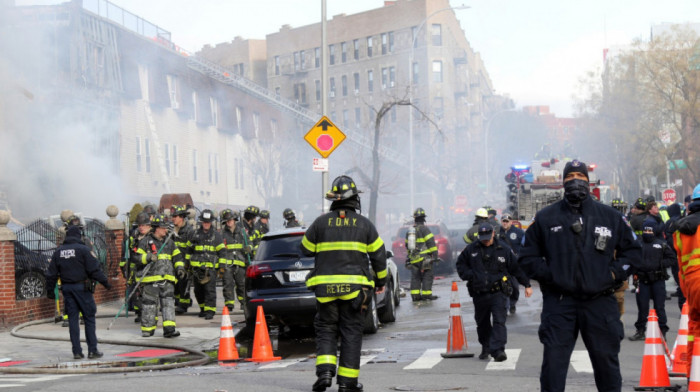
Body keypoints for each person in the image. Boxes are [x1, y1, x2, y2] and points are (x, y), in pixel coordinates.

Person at [519, 159, 642, 392]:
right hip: (560, 303)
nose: (576, 181)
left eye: (581, 176)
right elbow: (526, 257)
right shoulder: (546, 218)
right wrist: (551, 276)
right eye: (570, 177)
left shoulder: (610, 217)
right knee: (553, 367)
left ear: (589, 181)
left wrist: (614, 273)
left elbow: (633, 253)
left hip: (600, 303)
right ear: (563, 183)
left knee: (607, 365)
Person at [301, 175, 387, 392]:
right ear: (355, 199)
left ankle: (326, 373)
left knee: (326, 330)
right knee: (351, 332)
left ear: (335, 199)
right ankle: (347, 384)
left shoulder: (321, 222)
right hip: (355, 291)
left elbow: (305, 249)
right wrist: (381, 280)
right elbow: (379, 256)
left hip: (325, 291)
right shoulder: (365, 225)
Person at [457, 223, 532, 362]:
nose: (485, 240)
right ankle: (486, 346)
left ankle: (498, 350)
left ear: (493, 234)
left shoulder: (503, 248)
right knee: (482, 323)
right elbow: (460, 265)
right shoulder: (471, 249)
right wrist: (471, 275)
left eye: (487, 237)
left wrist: (527, 284)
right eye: (482, 237)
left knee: (499, 321)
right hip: (479, 293)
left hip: (498, 293)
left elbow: (515, 268)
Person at [46, 226, 112, 359]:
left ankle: (76, 351)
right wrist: (106, 283)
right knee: (89, 318)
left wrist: (50, 292)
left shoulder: (58, 252)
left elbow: (51, 274)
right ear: (79, 236)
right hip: (82, 289)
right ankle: (92, 350)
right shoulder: (84, 250)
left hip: (67, 289)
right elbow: (94, 270)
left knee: (73, 320)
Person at [134, 214, 185, 337]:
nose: (166, 230)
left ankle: (169, 329)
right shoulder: (145, 242)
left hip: (167, 279)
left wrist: (180, 268)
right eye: (163, 228)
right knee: (149, 305)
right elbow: (136, 258)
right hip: (151, 280)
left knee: (168, 304)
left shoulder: (170, 242)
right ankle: (148, 329)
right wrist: (148, 257)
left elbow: (178, 257)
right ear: (157, 228)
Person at [628, 218, 675, 342]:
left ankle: (662, 331)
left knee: (659, 307)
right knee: (642, 307)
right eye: (646, 229)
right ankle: (641, 331)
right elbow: (630, 258)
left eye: (650, 229)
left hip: (658, 280)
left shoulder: (661, 244)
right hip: (642, 280)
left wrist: (660, 264)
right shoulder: (637, 243)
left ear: (654, 230)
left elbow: (672, 259)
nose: (648, 232)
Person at [673, 183, 700, 378]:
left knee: (695, 330)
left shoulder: (680, 230)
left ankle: (694, 376)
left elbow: (681, 267)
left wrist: (687, 293)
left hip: (692, 285)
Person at [188, 209, 225, 320]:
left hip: (210, 269)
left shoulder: (216, 236)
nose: (206, 224)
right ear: (201, 222)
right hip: (197, 269)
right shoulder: (194, 234)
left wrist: (222, 267)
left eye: (208, 222)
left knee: (210, 290)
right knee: (198, 291)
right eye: (204, 222)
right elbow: (188, 250)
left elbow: (222, 252)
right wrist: (186, 265)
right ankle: (203, 309)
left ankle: (210, 311)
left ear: (211, 222)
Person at [405, 208, 438, 302]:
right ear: (424, 219)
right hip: (425, 259)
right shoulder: (425, 229)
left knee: (415, 277)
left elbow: (407, 245)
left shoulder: (410, 231)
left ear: (415, 219)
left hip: (414, 259)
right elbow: (431, 244)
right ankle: (426, 295)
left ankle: (415, 296)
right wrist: (435, 256)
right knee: (428, 275)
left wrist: (409, 258)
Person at [124, 212, 151, 323]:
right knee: (137, 293)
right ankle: (139, 313)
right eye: (139, 225)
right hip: (136, 269)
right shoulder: (134, 237)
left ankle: (148, 314)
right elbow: (129, 253)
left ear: (149, 225)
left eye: (143, 225)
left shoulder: (152, 237)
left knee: (148, 294)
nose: (141, 227)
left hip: (148, 269)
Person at [498, 213, 525, 314]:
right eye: (503, 221)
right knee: (503, 284)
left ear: (511, 222)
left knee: (514, 286)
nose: (505, 223)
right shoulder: (497, 233)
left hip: (514, 265)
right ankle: (505, 306)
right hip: (501, 266)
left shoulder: (519, 232)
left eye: (507, 221)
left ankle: (512, 304)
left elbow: (526, 245)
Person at [219, 209, 247, 311]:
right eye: (227, 220)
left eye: (230, 220)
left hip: (240, 263)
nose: (229, 222)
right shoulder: (222, 234)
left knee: (241, 284)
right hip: (227, 264)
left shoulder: (242, 232)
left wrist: (249, 249)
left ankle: (244, 303)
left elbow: (249, 244)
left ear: (234, 220)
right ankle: (229, 304)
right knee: (228, 284)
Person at [171, 205, 195, 314]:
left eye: (175, 216)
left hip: (185, 263)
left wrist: (188, 264)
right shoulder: (171, 231)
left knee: (183, 284)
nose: (173, 218)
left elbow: (191, 249)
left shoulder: (189, 231)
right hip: (173, 262)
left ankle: (183, 305)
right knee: (173, 285)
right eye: (173, 216)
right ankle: (176, 302)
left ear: (182, 217)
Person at [664, 203, 685, 309]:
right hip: (683, 253)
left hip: (674, 253)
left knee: (677, 274)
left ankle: (681, 292)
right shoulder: (683, 219)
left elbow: (668, 237)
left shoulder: (671, 222)